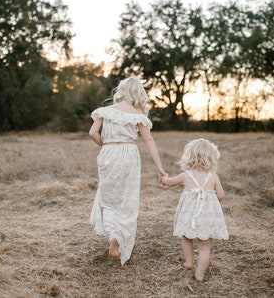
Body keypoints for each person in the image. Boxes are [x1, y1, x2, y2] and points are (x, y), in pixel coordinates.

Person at [89, 76, 166, 265]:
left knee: (108, 196)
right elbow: (149, 141)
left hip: (108, 152)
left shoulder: (104, 111)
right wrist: (160, 167)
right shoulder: (138, 115)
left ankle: (113, 235)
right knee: (126, 199)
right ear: (138, 93)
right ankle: (118, 236)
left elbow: (92, 133)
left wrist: (106, 146)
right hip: (128, 154)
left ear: (120, 91)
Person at [161, 138, 229, 282]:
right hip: (207, 216)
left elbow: (171, 182)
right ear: (211, 157)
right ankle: (200, 274)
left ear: (189, 156)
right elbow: (221, 196)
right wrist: (212, 201)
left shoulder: (186, 175)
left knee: (186, 237)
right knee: (205, 247)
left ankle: (189, 261)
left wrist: (164, 178)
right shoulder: (214, 176)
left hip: (189, 215)